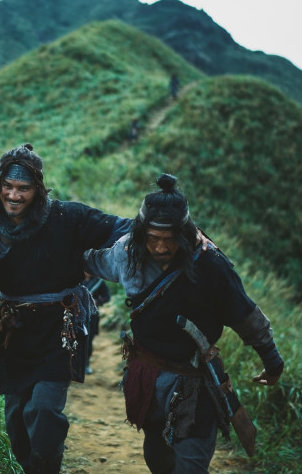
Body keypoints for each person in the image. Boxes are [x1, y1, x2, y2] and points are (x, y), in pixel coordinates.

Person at [83, 173, 284, 473]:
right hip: (147, 373)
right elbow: (92, 261)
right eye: (152, 239)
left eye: (170, 239)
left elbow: (244, 314)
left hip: (195, 379)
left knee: (190, 463)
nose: (161, 248)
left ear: (185, 233)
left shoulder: (211, 266)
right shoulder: (128, 253)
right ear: (141, 233)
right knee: (156, 452)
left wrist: (272, 360)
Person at [0, 143, 132, 474]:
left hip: (59, 327)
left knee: (45, 410)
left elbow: (122, 227)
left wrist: (183, 232)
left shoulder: (67, 217)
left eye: (24, 188)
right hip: (14, 332)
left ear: (38, 189)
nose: (14, 195)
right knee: (17, 421)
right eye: (8, 186)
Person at [82, 272, 111, 374]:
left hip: (92, 316)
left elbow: (107, 297)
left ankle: (86, 365)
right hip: (76, 315)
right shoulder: (77, 280)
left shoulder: (99, 282)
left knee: (88, 341)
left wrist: (97, 301)